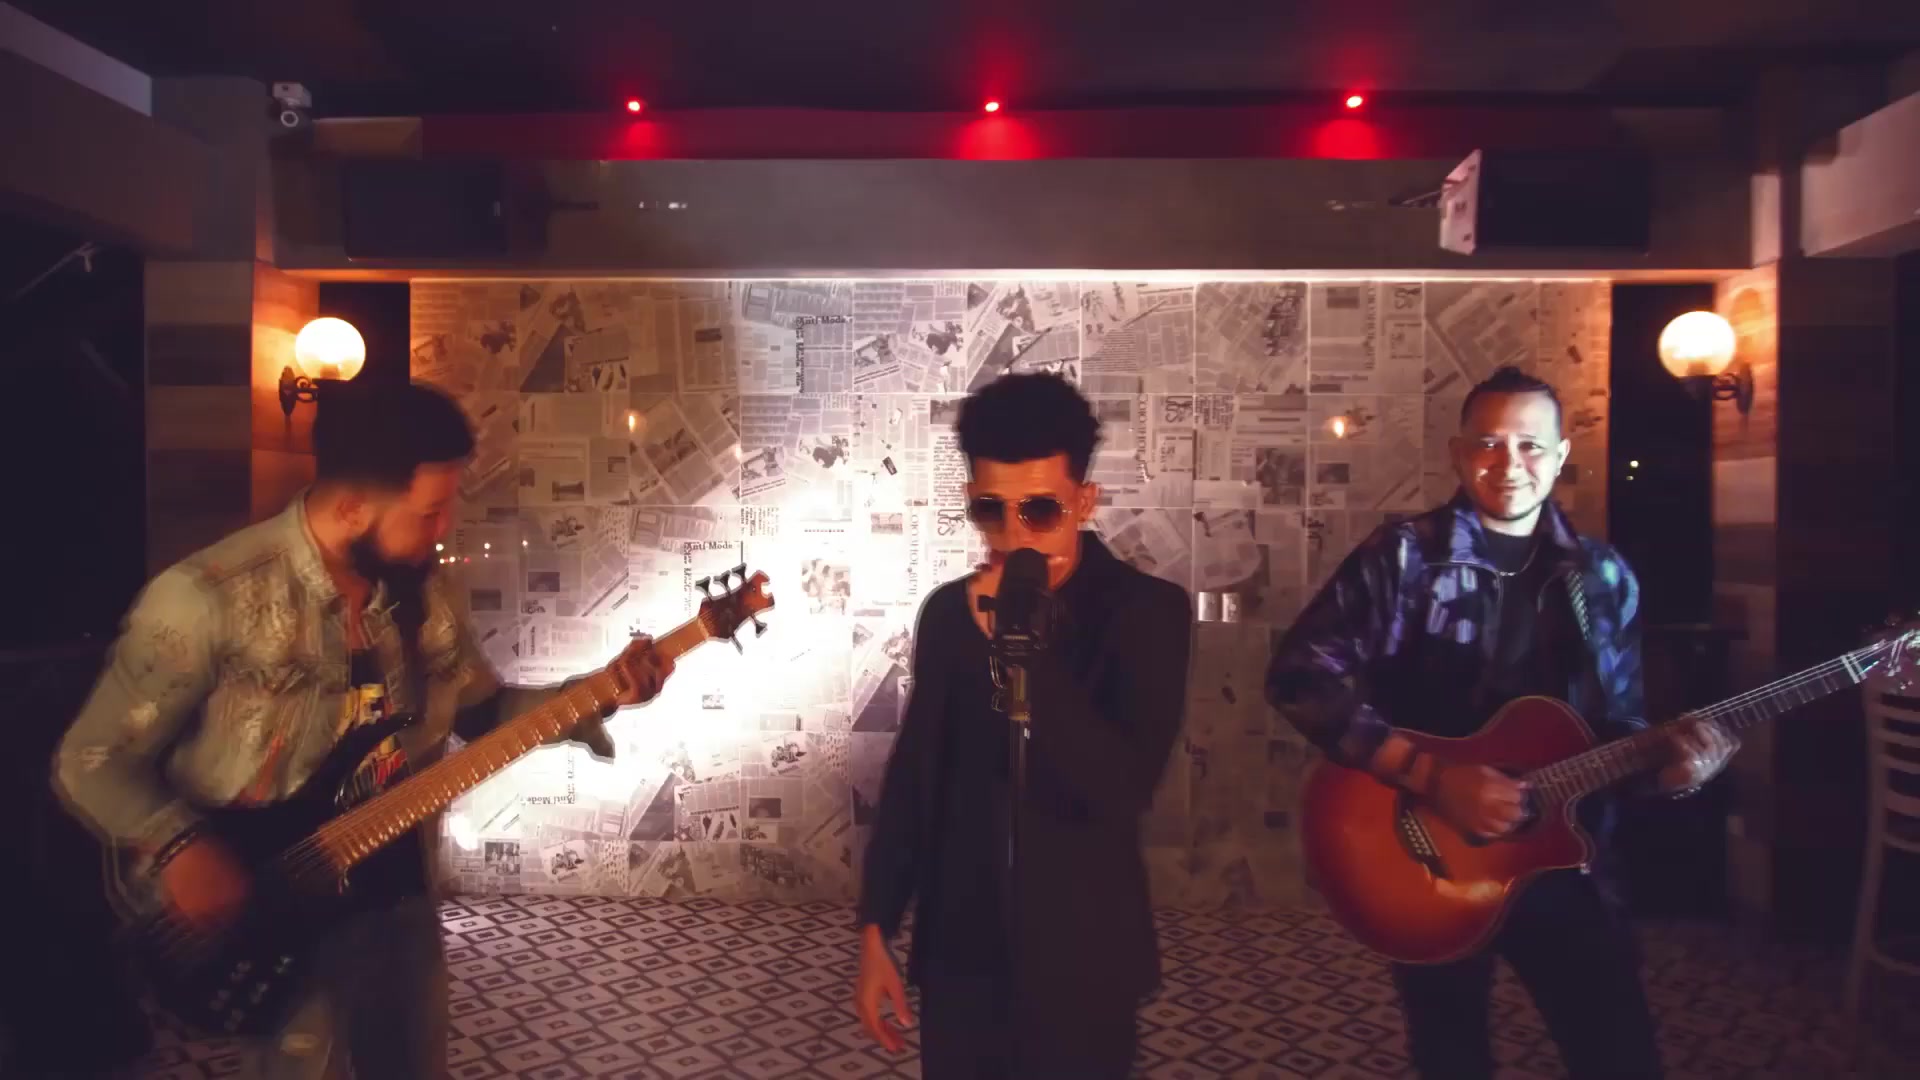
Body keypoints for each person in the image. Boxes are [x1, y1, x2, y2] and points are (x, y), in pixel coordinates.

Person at [52, 381, 674, 1079]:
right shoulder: (208, 598)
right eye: (429, 511)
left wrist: (592, 697)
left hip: (394, 890)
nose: (443, 529)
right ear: (351, 507)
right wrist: (182, 847)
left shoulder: (420, 593)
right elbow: (90, 759)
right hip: (278, 900)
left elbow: (482, 711)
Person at [1266, 365, 1739, 1079]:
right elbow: (1300, 674)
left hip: (1569, 861)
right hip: (1426, 858)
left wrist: (1673, 773)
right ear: (1459, 454)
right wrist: (1433, 778)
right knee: (1452, 1056)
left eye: (1530, 445)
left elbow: (1619, 728)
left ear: (1560, 454)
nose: (1509, 463)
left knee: (1620, 1056)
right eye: (1489, 443)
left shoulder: (1604, 577)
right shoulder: (1405, 557)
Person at [853, 373, 1193, 1079]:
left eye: (1039, 510)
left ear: (1084, 502)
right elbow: (917, 776)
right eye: (990, 509)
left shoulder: (1147, 613)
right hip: (961, 956)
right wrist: (877, 925)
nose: (1013, 536)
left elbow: (1121, 786)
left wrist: (1024, 654)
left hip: (1084, 959)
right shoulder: (950, 614)